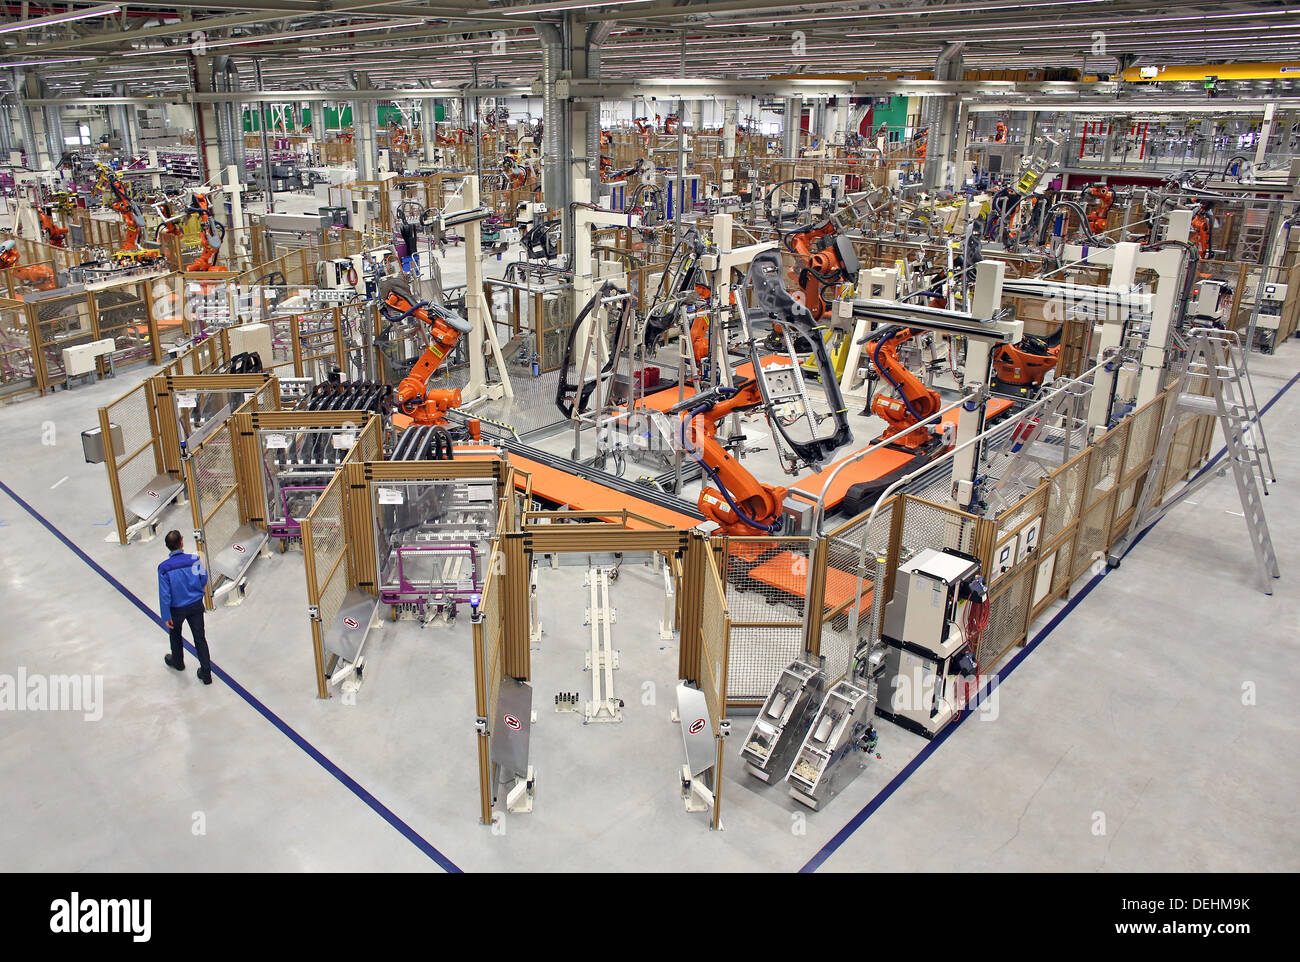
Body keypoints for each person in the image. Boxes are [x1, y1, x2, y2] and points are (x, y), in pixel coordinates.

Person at [158, 530, 212, 685]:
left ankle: (178, 662)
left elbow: (165, 594)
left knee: (175, 635)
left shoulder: (164, 568)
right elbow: (203, 578)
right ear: (182, 543)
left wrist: (166, 615)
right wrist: (195, 591)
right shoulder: (194, 560)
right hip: (195, 605)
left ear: (168, 547)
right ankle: (206, 673)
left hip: (176, 609)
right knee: (200, 638)